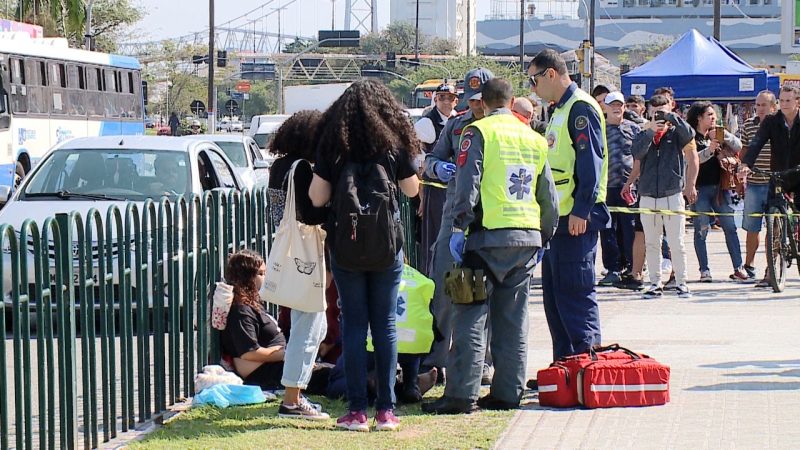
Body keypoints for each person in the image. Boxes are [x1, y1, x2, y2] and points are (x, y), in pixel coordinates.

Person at [422, 78, 558, 414]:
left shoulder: (478, 132)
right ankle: (508, 393)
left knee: (469, 314)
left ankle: (461, 395)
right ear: (512, 103)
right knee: (513, 320)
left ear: (484, 102)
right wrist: (545, 235)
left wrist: (458, 226)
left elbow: (468, 183)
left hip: (484, 239)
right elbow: (548, 195)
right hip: (525, 240)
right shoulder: (533, 137)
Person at [309, 80, 420, 432]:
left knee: (354, 325)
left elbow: (316, 197)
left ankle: (357, 410)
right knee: (385, 324)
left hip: (346, 247)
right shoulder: (392, 144)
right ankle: (386, 410)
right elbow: (412, 189)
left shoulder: (334, 146)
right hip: (387, 247)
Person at [528, 49, 611, 361]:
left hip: (576, 218)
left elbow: (591, 163)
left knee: (575, 297)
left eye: (534, 80)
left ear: (551, 74)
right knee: (556, 300)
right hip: (558, 219)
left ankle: (584, 368)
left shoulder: (579, 108)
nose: (533, 87)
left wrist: (581, 210)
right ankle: (563, 368)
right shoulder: (560, 110)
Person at [422, 67, 495, 384]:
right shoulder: (455, 124)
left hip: (489, 215)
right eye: (472, 100)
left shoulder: (501, 127)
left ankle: (484, 362)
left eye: (481, 100)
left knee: (486, 293)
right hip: (453, 215)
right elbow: (429, 162)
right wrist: (439, 167)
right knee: (443, 287)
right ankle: (435, 361)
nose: (476, 105)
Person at [266, 110, 331, 420]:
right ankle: (292, 399)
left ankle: (295, 392)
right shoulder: (302, 168)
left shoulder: (278, 167)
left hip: (289, 251)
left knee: (311, 324)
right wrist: (332, 209)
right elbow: (309, 214)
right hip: (305, 254)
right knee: (310, 325)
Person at [219, 250, 332, 405]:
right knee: (331, 374)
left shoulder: (251, 305)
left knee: (334, 370)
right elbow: (249, 353)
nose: (265, 278)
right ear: (246, 277)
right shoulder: (241, 311)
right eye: (260, 274)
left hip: (280, 364)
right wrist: (289, 356)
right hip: (267, 371)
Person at [627, 94, 699, 298]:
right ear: (648, 112)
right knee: (651, 242)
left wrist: (672, 118)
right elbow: (637, 152)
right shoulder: (643, 131)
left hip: (672, 193)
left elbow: (690, 134)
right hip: (648, 194)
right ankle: (654, 283)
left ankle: (682, 282)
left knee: (676, 242)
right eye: (655, 112)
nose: (659, 116)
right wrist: (651, 130)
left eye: (662, 111)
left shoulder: (677, 132)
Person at [686, 101, 745, 282]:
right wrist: (709, 150)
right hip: (700, 189)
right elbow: (692, 161)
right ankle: (704, 270)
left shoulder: (718, 133)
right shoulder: (690, 137)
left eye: (714, 115)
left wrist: (724, 136)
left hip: (720, 189)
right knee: (701, 230)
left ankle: (739, 268)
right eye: (709, 115)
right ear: (699, 118)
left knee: (730, 227)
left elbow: (739, 146)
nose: (714, 118)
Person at [414, 83, 458, 274]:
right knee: (433, 242)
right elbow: (417, 162)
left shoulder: (458, 120)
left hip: (456, 189)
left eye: (450, 98)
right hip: (434, 190)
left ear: (456, 100)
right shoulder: (426, 124)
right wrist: (422, 195)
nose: (446, 102)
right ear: (435, 99)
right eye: (441, 97)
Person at [597, 92, 640, 286]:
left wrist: (633, 182)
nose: (616, 108)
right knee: (607, 230)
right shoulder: (599, 129)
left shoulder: (633, 128)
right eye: (612, 105)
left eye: (619, 105)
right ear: (605, 107)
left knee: (629, 229)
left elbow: (640, 156)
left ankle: (632, 267)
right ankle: (612, 269)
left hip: (629, 187)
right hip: (605, 187)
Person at [739, 90, 778, 286]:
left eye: (764, 105)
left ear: (773, 107)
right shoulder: (748, 125)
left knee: (774, 228)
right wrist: (742, 173)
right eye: (758, 105)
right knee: (751, 227)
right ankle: (749, 265)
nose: (760, 108)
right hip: (754, 182)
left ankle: (771, 267)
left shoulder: (780, 125)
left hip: (774, 183)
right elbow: (744, 151)